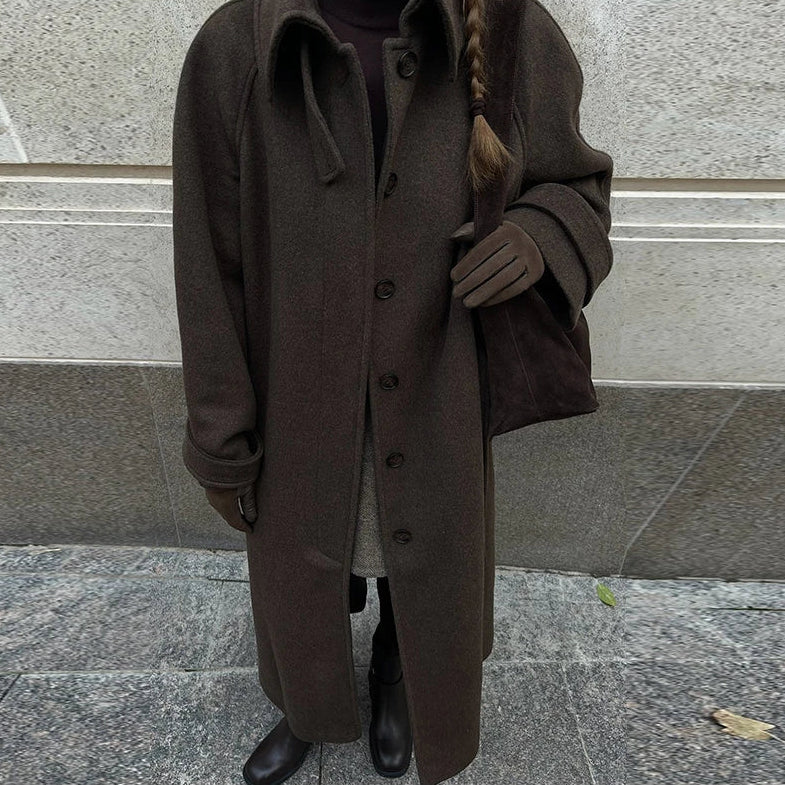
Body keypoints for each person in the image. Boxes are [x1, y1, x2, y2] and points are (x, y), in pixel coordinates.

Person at [171, 0, 614, 782]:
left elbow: (577, 184)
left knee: (419, 560)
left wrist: (540, 237)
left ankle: (395, 673)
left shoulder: (511, 27)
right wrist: (219, 438)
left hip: (437, 384)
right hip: (296, 391)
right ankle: (307, 704)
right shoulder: (236, 43)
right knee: (305, 560)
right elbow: (208, 261)